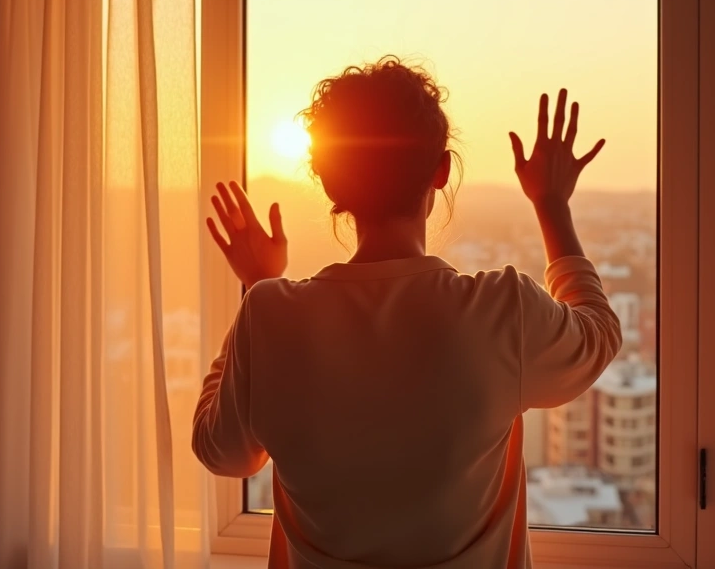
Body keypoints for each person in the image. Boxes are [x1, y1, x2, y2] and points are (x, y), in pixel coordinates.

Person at [192, 56, 622, 568]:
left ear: (330, 185)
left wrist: (257, 290)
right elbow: (599, 334)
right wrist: (552, 205)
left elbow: (224, 452)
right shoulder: (501, 310)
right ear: (441, 171)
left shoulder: (269, 314)